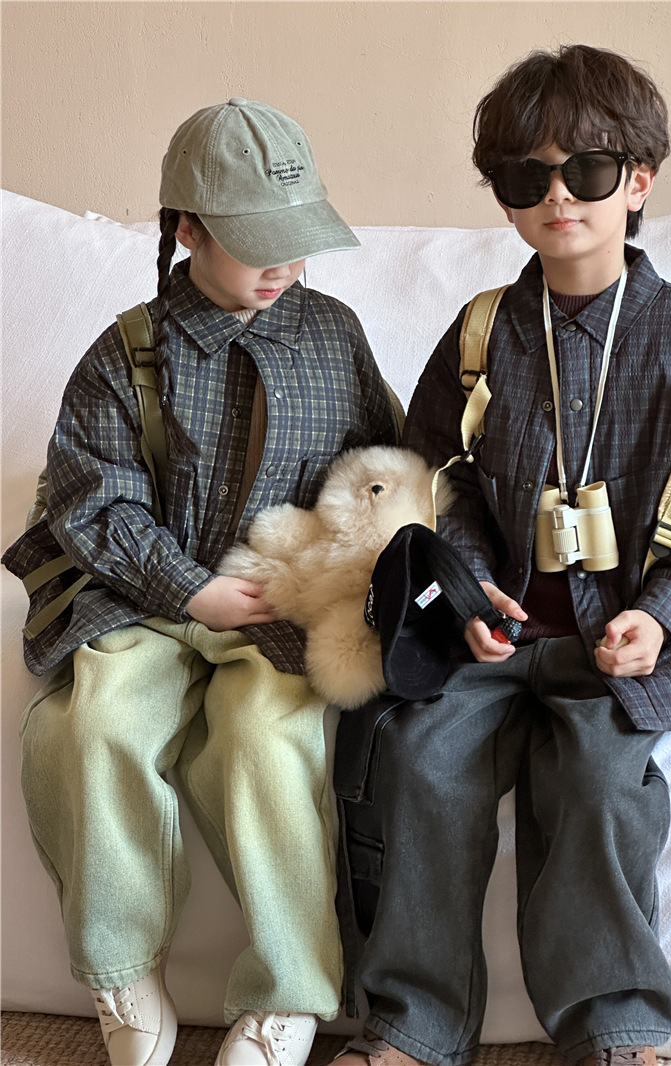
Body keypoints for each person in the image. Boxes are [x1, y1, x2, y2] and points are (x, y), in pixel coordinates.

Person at [328, 45, 671, 1066]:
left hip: (622, 645)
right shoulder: (480, 335)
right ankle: (410, 1027)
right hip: (490, 639)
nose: (557, 197)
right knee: (419, 759)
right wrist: (467, 589)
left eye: (586, 170)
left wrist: (663, 613)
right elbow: (434, 476)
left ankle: (613, 1031)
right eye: (524, 177)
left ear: (639, 181)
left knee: (597, 782)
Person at [2, 98, 397, 1066]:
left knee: (266, 742)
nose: (282, 264)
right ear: (186, 229)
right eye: (257, 242)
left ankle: (287, 993)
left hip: (278, 607)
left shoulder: (332, 334)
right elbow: (93, 495)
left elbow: (382, 468)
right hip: (140, 598)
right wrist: (187, 587)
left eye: (297, 239)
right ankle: (121, 968)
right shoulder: (128, 348)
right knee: (93, 724)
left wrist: (350, 560)